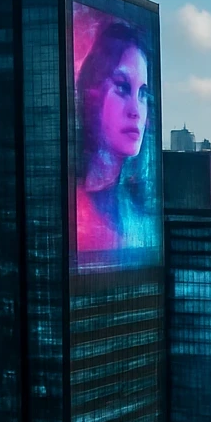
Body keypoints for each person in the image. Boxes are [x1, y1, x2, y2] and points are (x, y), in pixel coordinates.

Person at [75, 20, 155, 257]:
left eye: (142, 94)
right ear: (92, 94)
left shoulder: (142, 219)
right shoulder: (72, 212)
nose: (136, 111)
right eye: (122, 87)